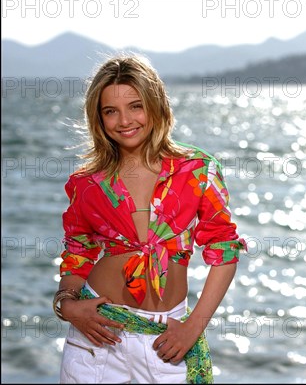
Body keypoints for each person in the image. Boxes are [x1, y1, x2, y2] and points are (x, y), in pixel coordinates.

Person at [53, 54, 246, 384]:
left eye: (135, 106)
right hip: (95, 339)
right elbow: (78, 256)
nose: (124, 120)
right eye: (110, 111)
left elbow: (224, 250)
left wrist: (193, 326)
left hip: (165, 340)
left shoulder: (197, 169)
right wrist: (68, 307)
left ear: (156, 106)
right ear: (98, 119)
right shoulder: (87, 182)